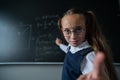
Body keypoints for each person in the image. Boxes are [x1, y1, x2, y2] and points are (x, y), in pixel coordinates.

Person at [55, 8, 118, 80]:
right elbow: (68, 50)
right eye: (67, 31)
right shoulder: (72, 48)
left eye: (78, 29)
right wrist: (60, 44)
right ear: (62, 30)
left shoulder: (88, 57)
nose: (73, 37)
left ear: (86, 29)